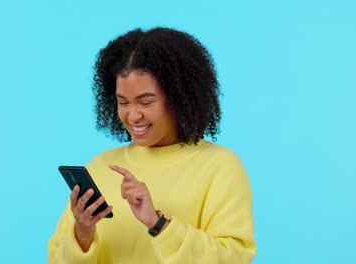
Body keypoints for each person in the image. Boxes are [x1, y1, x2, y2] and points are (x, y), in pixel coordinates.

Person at [47, 27, 256, 263]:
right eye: (123, 102)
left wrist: (158, 224)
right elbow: (55, 258)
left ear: (179, 97)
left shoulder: (220, 166)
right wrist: (82, 235)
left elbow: (234, 257)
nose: (133, 116)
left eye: (145, 102)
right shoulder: (101, 165)